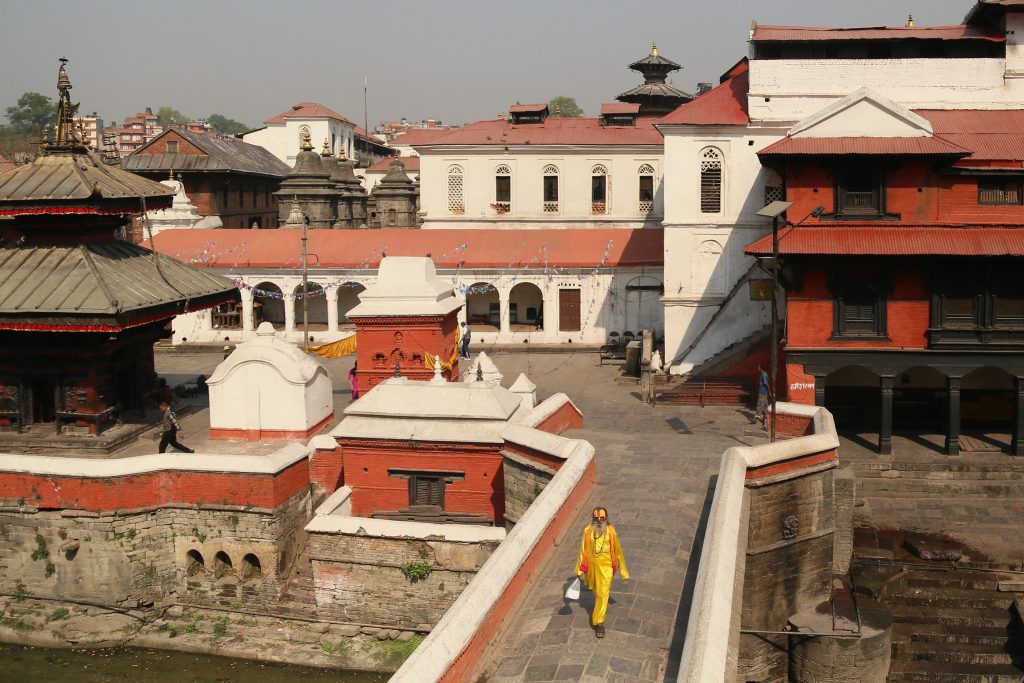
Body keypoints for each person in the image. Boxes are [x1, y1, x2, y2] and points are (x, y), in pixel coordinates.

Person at [575, 506, 629, 638]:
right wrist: (579, 569)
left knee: (602, 594)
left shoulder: (611, 532)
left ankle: (599, 623)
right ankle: (599, 615)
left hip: (606, 569)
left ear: (606, 518)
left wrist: (624, 572)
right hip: (592, 569)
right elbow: (583, 549)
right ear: (593, 519)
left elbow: (618, 552)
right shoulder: (587, 530)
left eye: (602, 518)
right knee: (596, 592)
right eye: (596, 519)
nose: (599, 521)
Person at [755, 364, 771, 430]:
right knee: (765, 405)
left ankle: (757, 416)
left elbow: (766, 383)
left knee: (760, 404)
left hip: (762, 392)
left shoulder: (764, 374)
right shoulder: (763, 374)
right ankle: (766, 417)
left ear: (761, 368)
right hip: (764, 392)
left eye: (758, 367)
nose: (757, 368)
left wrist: (769, 391)